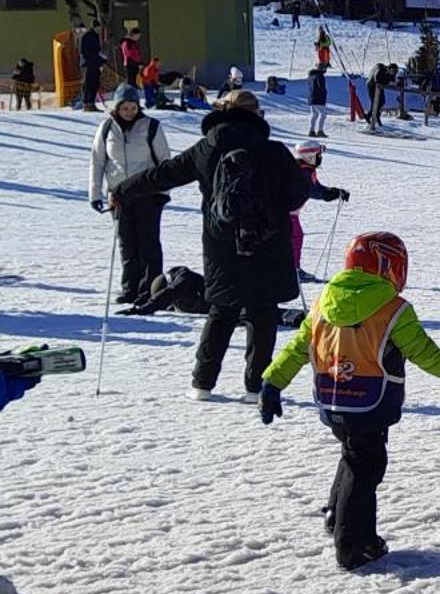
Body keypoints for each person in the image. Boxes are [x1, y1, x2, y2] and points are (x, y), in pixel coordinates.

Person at [258, 231, 440, 571]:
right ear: (389, 267)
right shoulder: (393, 309)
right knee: (366, 469)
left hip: (333, 400)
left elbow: (297, 349)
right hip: (371, 404)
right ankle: (355, 545)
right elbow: (424, 353)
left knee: (352, 455)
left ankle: (337, 514)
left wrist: (273, 382)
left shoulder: (321, 303)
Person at [113, 88, 312, 402]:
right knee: (262, 314)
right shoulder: (273, 151)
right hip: (268, 243)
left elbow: (164, 174)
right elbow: (297, 195)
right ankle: (255, 387)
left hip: (222, 245)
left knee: (222, 312)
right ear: (256, 114)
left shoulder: (207, 148)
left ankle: (202, 384)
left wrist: (124, 190)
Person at [89, 84, 175, 303]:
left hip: (147, 193)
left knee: (148, 243)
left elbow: (165, 161)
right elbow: (98, 161)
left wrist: (162, 191)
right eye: (124, 108)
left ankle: (150, 290)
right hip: (118, 195)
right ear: (117, 108)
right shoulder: (107, 128)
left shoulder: (151, 127)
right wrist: (95, 192)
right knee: (127, 243)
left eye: (133, 107)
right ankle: (130, 288)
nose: (129, 112)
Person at [288, 141, 350, 278]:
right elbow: (314, 191)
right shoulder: (302, 172)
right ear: (309, 156)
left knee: (294, 237)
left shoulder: (304, 169)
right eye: (318, 155)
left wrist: (335, 191)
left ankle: (291, 269)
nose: (320, 158)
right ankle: (292, 270)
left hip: (290, 212)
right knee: (294, 237)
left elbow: (318, 187)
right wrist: (330, 194)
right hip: (286, 213)